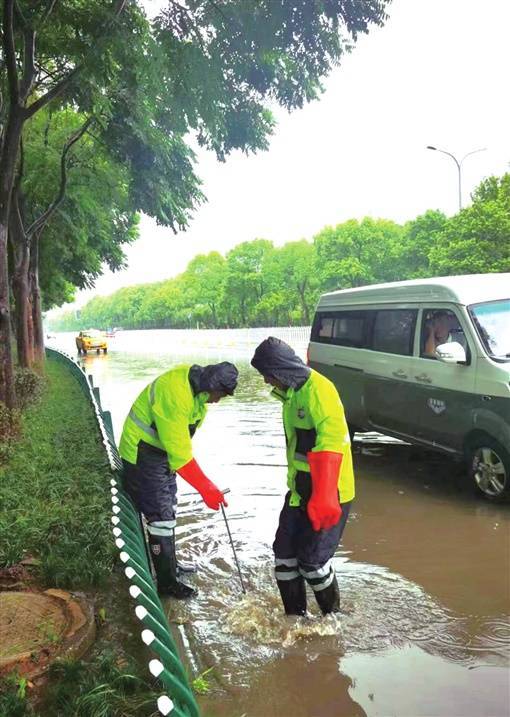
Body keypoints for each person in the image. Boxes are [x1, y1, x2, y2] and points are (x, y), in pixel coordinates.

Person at [251, 337, 355, 616]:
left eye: (267, 376)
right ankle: (295, 619)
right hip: (299, 493)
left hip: (330, 493)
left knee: (313, 562)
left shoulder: (320, 391)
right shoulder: (291, 394)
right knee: (284, 556)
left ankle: (333, 619)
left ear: (280, 370)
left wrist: (324, 496)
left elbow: (332, 442)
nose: (266, 382)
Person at [119, 362, 239, 599]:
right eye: (220, 395)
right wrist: (207, 489)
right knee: (160, 517)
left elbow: (181, 445)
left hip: (161, 453)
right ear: (211, 387)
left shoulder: (197, 394)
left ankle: (170, 566)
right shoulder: (175, 394)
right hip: (141, 453)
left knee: (169, 508)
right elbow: (182, 456)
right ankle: (166, 584)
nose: (218, 401)